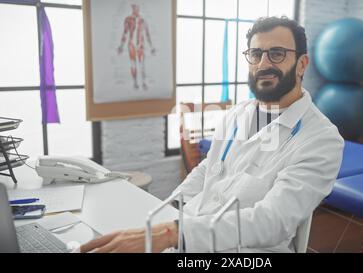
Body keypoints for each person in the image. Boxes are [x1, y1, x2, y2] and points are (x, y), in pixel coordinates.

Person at [81, 16, 344, 253]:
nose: (264, 63)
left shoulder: (321, 140)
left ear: (302, 64)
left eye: (277, 53)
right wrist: (166, 213)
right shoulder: (237, 114)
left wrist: (172, 234)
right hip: (191, 233)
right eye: (255, 54)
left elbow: (272, 221)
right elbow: (209, 168)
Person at [117, 4, 156, 90]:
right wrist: (121, 46)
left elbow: (147, 34)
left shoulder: (142, 20)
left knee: (142, 64)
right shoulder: (128, 19)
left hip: (140, 45)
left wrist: (151, 47)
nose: (137, 9)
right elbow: (125, 33)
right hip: (131, 45)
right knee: (133, 64)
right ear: (132, 8)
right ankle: (135, 82)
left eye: (138, 8)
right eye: (135, 8)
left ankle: (143, 82)